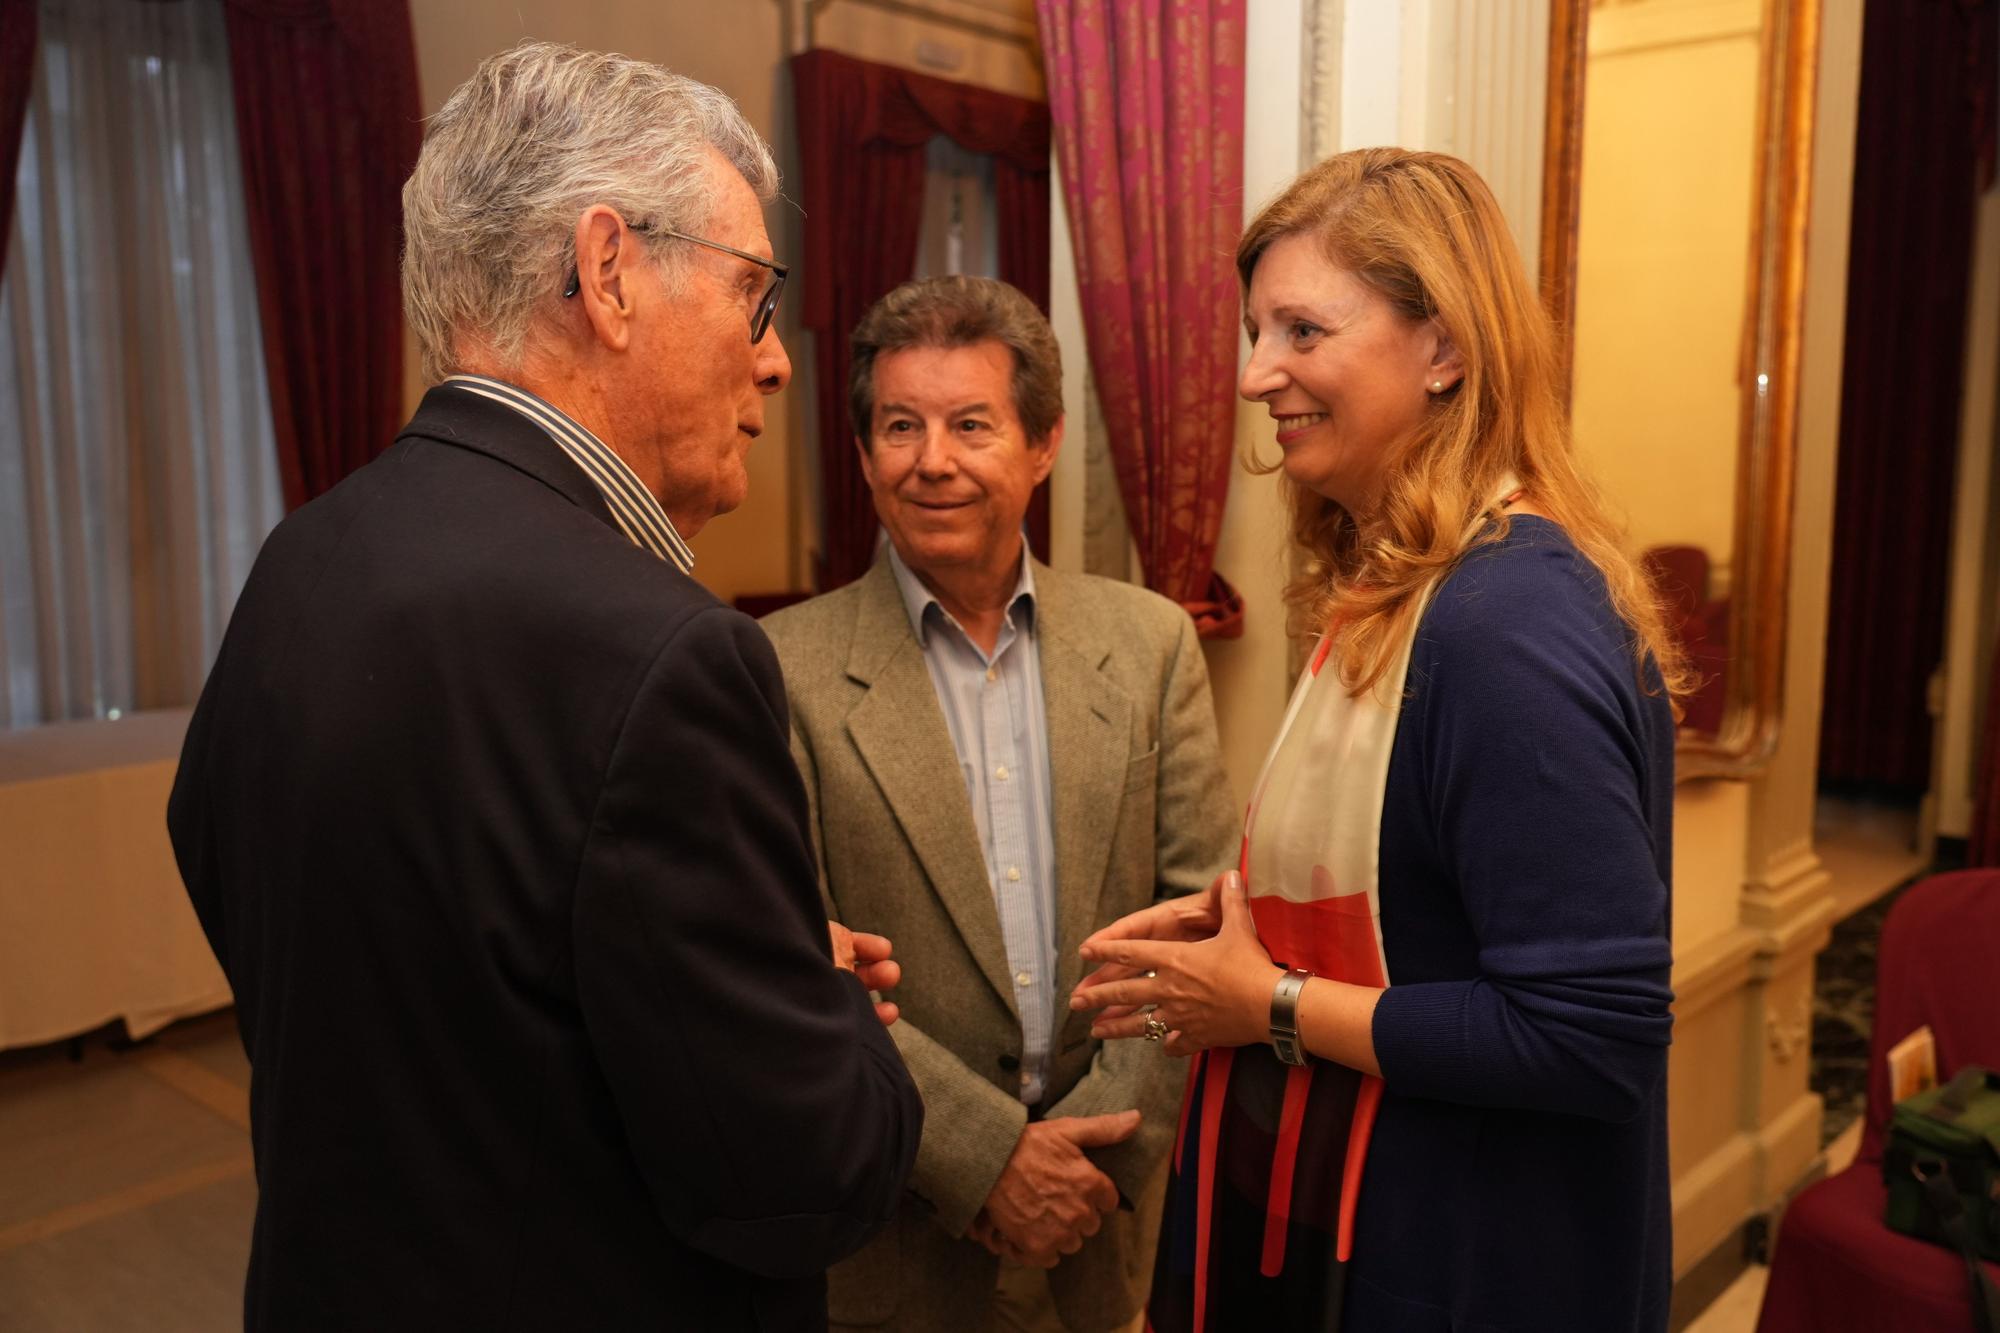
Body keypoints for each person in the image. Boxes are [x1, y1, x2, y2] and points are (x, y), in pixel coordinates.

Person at [167, 42, 920, 1331]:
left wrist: (724, 967)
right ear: (608, 270)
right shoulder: (662, 651)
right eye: (752, 295)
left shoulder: (306, 554)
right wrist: (831, 1012)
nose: (778, 359)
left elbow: (332, 932)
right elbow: (802, 1175)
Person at [1071, 148, 1688, 1333]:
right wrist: (1239, 932)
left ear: (1444, 347)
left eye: (1302, 331)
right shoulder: (1403, 585)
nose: (1257, 375)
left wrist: (1271, 1002)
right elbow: (1430, 909)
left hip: (1467, 1266)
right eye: (1256, 332)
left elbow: (1589, 1035)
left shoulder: (1504, 620)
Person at [760, 276, 1238, 1333]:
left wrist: (1092, 1165)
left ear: (1042, 444)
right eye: (899, 426)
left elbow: (1199, 927)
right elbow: (795, 967)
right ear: (862, 453)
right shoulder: (775, 669)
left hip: (1099, 1232)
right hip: (894, 1242)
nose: (932, 459)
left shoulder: (1150, 646)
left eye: (970, 424)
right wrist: (985, 1163)